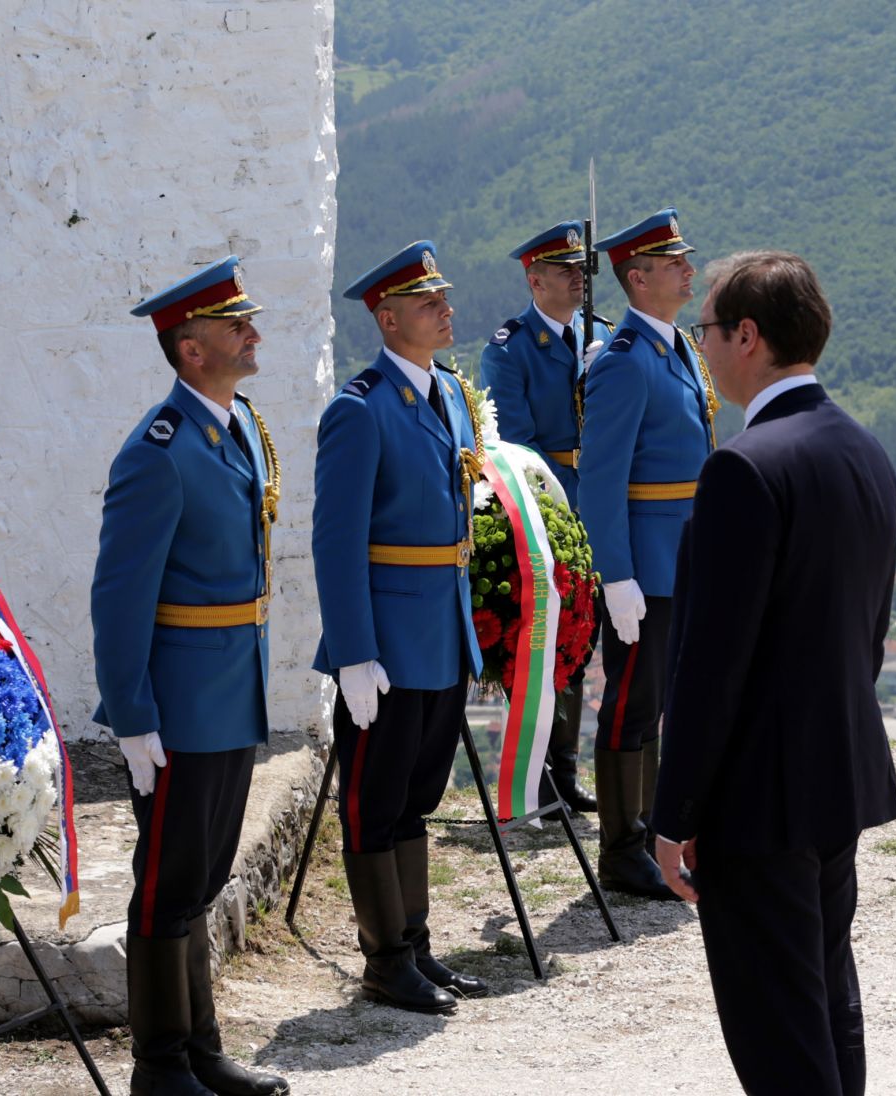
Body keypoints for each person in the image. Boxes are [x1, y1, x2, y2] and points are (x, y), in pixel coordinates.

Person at [652, 252, 896, 1095]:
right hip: (837, 773)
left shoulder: (745, 468)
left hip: (757, 799)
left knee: (779, 1033)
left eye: (708, 330)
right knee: (829, 1004)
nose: (704, 346)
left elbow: (710, 664)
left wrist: (676, 807)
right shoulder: (862, 449)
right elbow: (867, 636)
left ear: (747, 337)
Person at [91, 256, 289, 1096]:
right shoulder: (158, 451)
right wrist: (132, 713)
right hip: (177, 703)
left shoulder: (235, 424)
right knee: (167, 881)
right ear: (191, 350)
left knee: (203, 877)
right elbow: (119, 593)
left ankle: (201, 1051)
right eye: (233, 324)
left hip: (230, 690)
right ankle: (160, 1063)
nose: (252, 331)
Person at [313, 241, 489, 1014]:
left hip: (441, 632)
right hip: (385, 642)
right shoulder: (359, 410)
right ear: (387, 320)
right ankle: (384, 960)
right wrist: (354, 652)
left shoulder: (447, 393)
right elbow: (336, 539)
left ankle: (415, 946)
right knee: (374, 803)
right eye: (427, 303)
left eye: (443, 298)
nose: (445, 310)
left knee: (417, 796)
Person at [578, 207, 716, 899]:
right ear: (636, 277)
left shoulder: (676, 347)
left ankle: (654, 828)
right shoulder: (626, 362)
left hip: (683, 557)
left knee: (660, 702)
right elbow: (601, 478)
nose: (690, 269)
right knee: (630, 706)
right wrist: (617, 575)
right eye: (673, 262)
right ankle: (620, 848)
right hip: (647, 567)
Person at [477, 220, 615, 813]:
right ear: (535, 280)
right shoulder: (509, 349)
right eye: (566, 272)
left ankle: (565, 770)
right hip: (551, 502)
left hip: (604, 500)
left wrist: (602, 373)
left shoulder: (602, 336)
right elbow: (518, 443)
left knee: (585, 642)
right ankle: (542, 779)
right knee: (550, 640)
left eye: (582, 271)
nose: (579, 279)